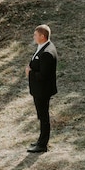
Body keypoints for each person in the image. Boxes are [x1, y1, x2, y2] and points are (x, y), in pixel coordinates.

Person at [24, 24, 58, 153]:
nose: (34, 37)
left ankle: (42, 144)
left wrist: (30, 72)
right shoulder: (44, 47)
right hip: (40, 89)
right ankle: (41, 140)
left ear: (42, 37)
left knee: (43, 117)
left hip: (42, 90)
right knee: (42, 116)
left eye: (35, 35)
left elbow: (43, 75)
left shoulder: (47, 53)